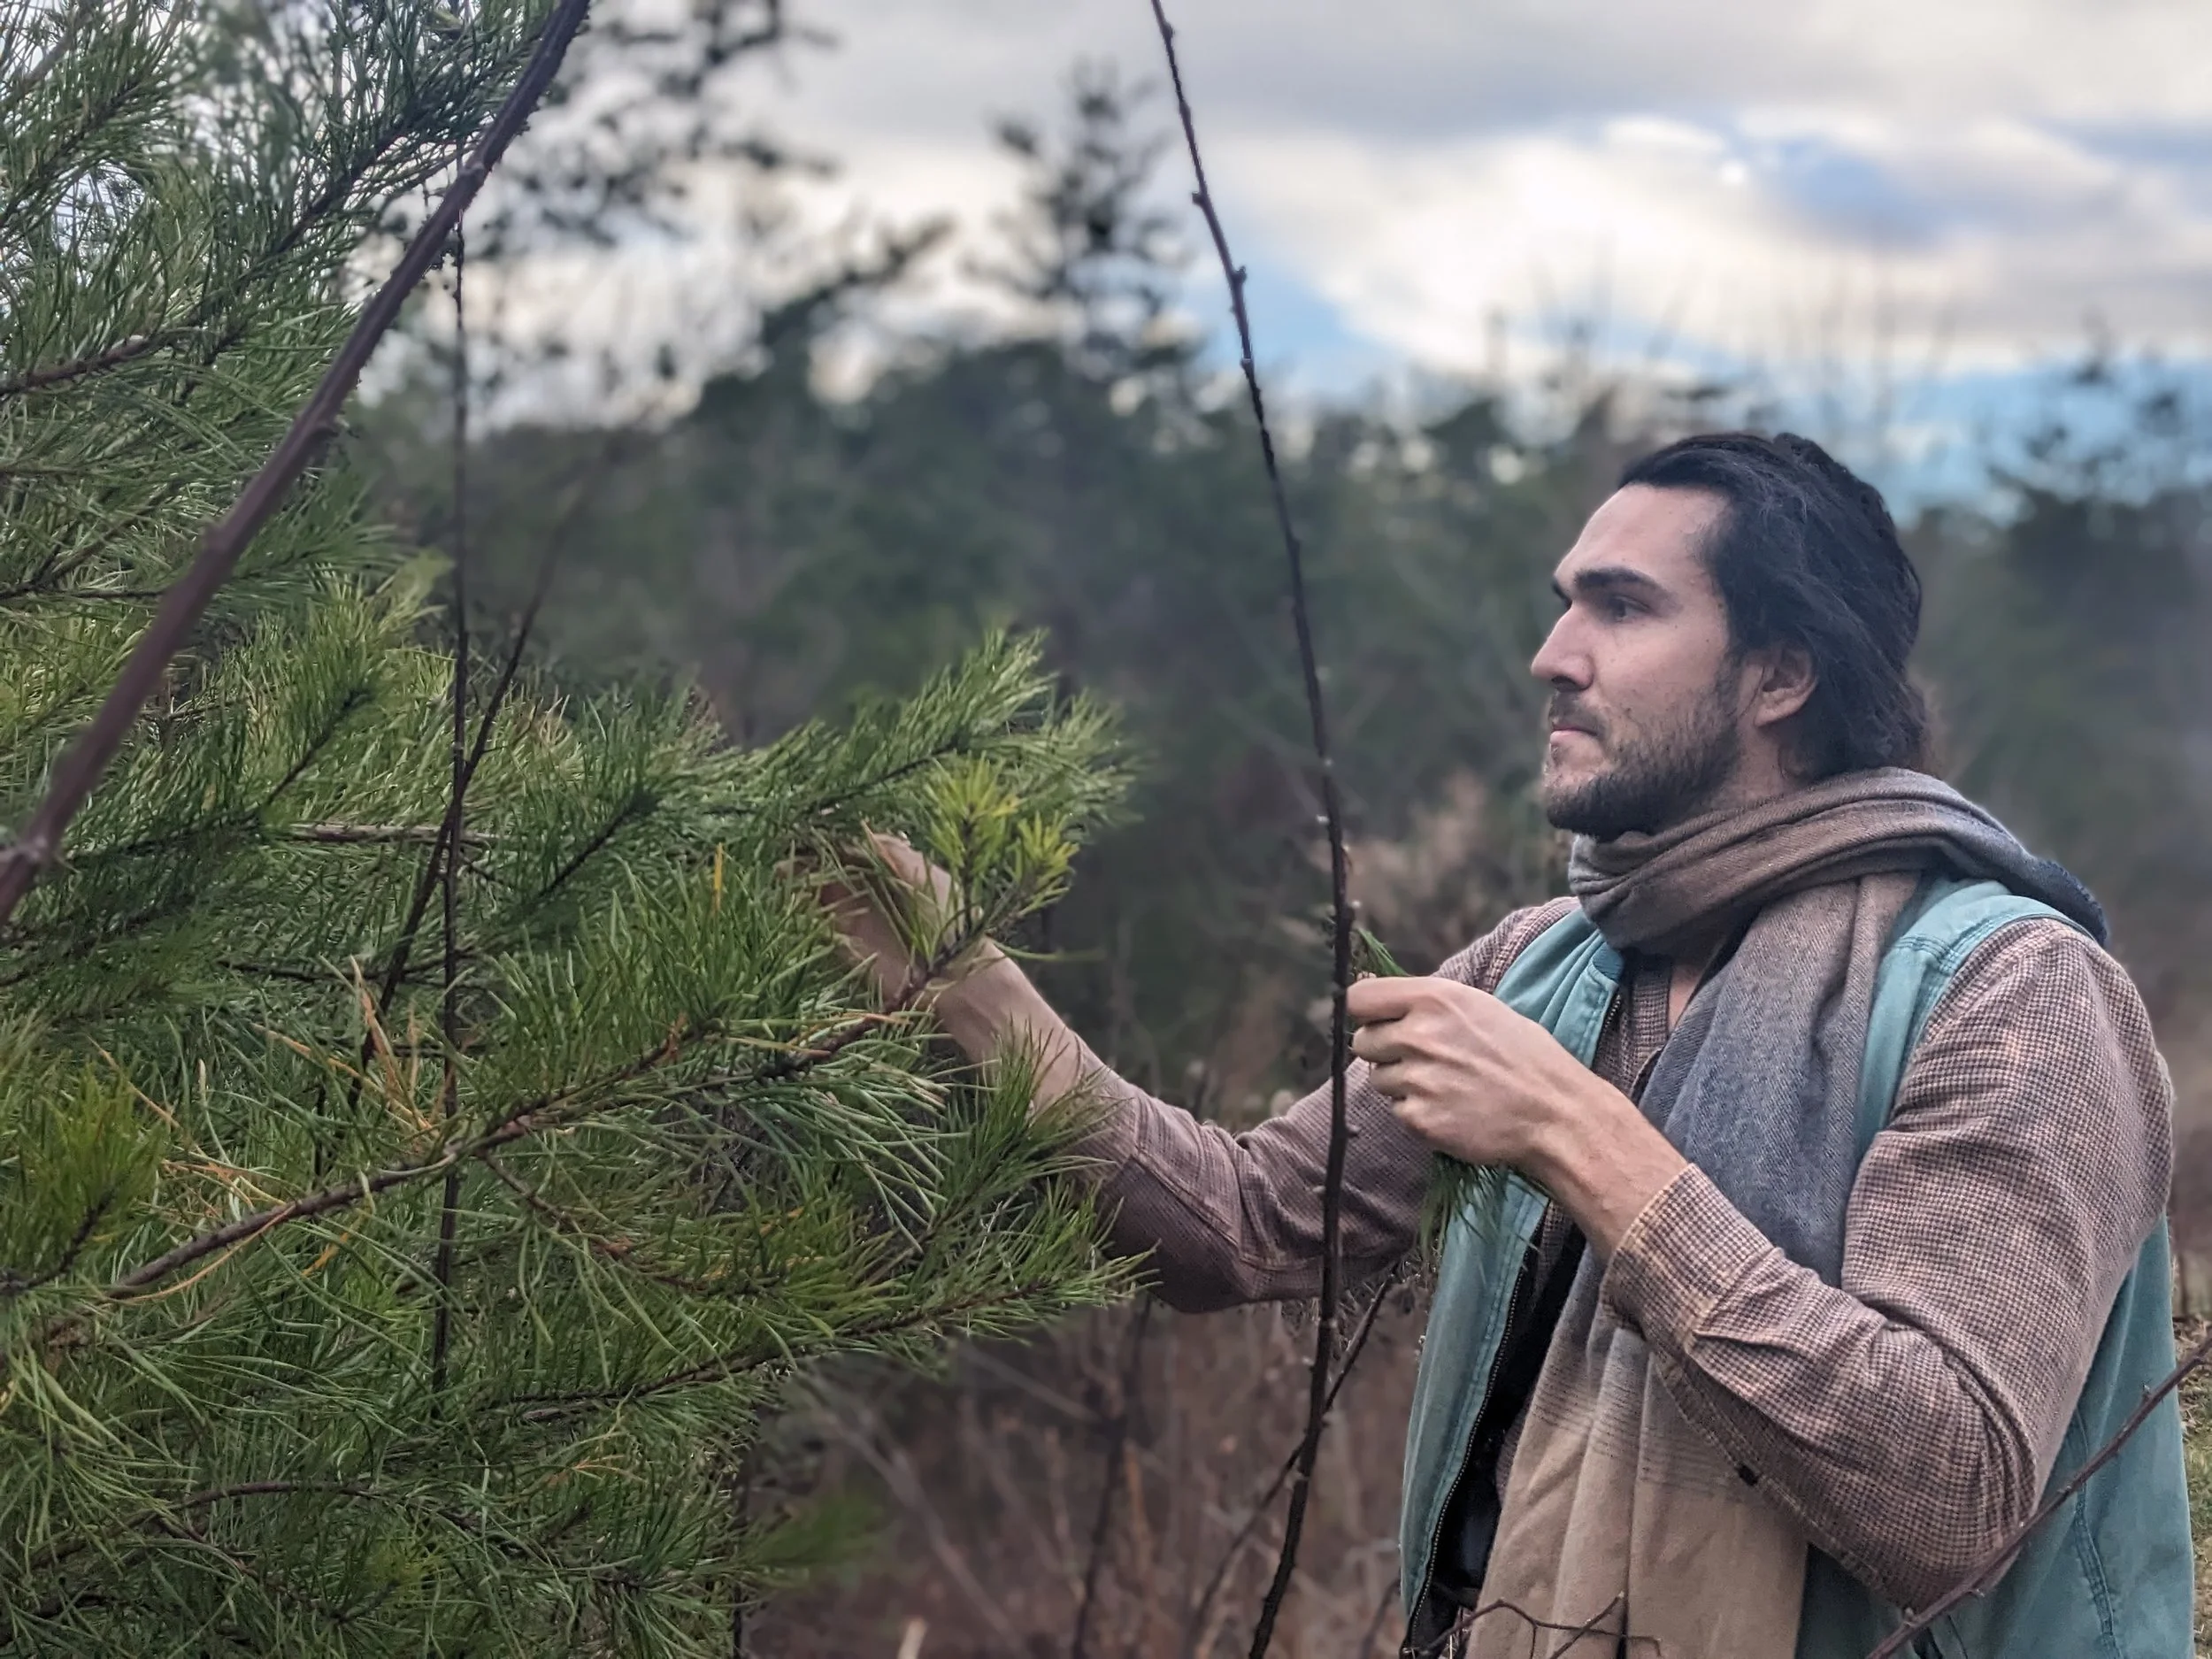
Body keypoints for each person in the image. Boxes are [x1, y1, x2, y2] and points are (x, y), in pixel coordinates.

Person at [829, 432, 2192, 1658]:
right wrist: (969, 986)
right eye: (1564, 600)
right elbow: (1235, 1224)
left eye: (1622, 606)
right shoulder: (1546, 965)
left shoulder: (2012, 991)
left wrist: (1577, 1137)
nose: (1554, 653)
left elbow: (1949, 1495)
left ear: (1782, 674)